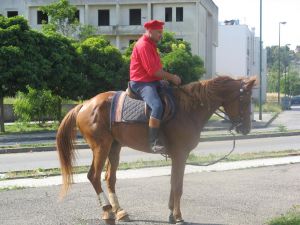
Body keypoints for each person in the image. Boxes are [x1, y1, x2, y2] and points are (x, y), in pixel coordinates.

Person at [129, 19, 181, 154]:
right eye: (158, 32)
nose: (161, 35)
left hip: (151, 81)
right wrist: (172, 77)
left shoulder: (151, 45)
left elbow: (155, 71)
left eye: (161, 32)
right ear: (150, 31)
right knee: (157, 106)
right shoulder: (143, 45)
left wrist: (162, 80)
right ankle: (153, 142)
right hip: (141, 83)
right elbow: (154, 71)